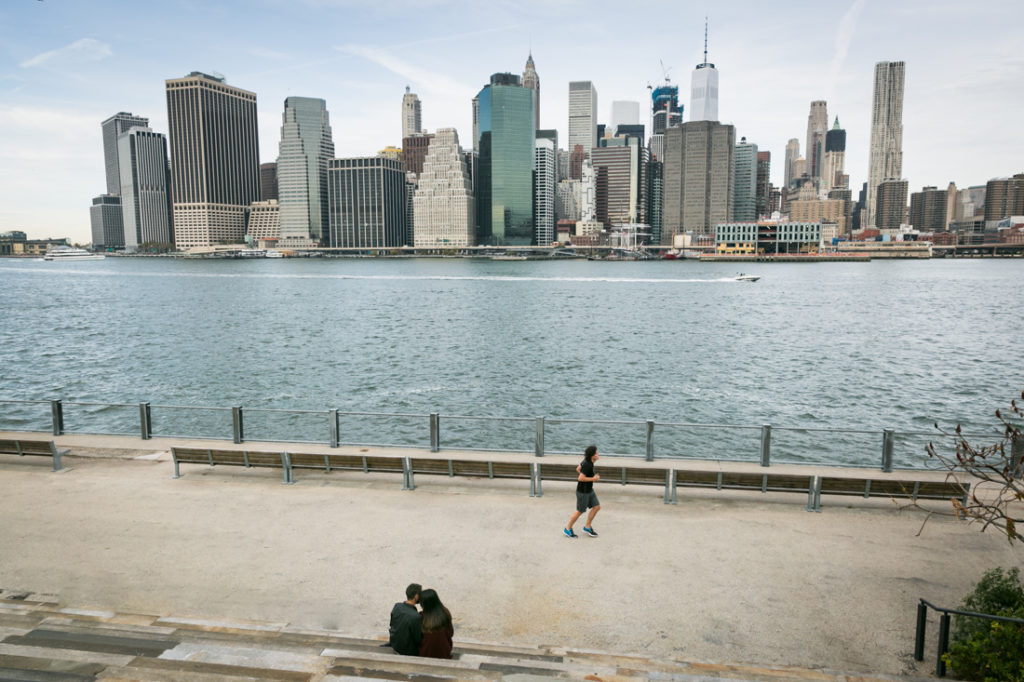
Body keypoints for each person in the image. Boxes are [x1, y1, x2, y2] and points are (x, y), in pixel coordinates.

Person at [564, 444, 600, 538]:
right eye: (596, 453)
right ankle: (567, 529)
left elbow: (578, 469)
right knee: (580, 511)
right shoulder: (588, 464)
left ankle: (587, 527)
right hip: (583, 492)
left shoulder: (586, 461)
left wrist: (586, 476)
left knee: (597, 506)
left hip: (589, 489)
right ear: (593, 456)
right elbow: (580, 478)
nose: (598, 454)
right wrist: (593, 478)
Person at [417, 588, 454, 659]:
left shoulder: (421, 616)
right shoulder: (445, 613)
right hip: (444, 653)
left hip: (425, 653)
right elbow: (451, 633)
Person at [387, 583, 422, 655]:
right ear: (416, 596)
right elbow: (418, 640)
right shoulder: (416, 616)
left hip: (395, 645)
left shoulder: (397, 606)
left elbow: (392, 624)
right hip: (408, 651)